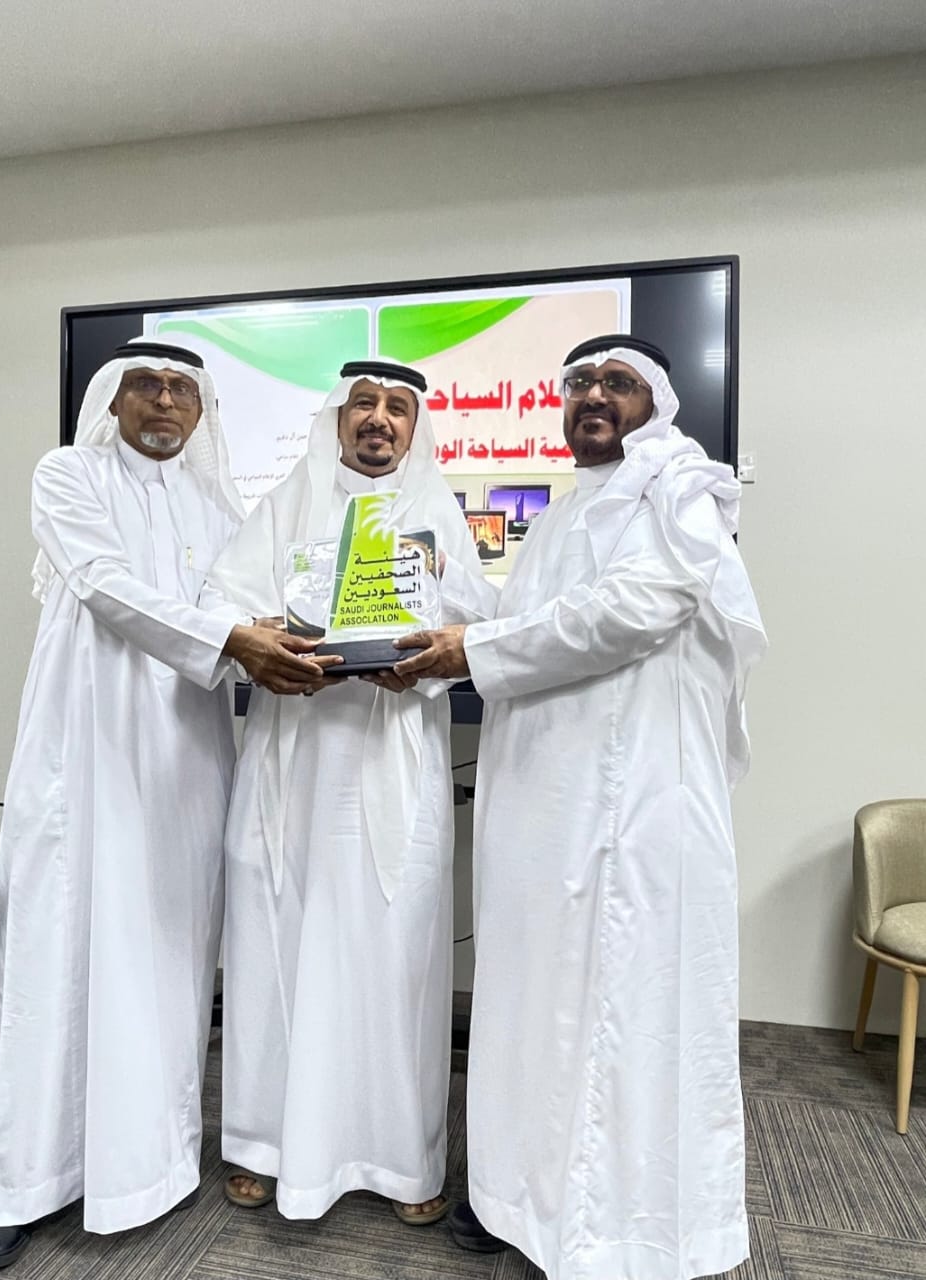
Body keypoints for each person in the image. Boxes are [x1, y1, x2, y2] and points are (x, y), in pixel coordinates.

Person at [393, 335, 767, 1280]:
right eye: (580, 384)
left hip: (631, 811)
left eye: (618, 383)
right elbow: (524, 622)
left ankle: (615, 1230)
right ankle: (517, 1199)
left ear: (658, 403)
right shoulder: (567, 507)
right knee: (534, 1002)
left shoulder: (677, 487)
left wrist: (473, 649)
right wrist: (434, 608)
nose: (593, 396)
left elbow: (638, 608)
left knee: (620, 1010)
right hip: (546, 813)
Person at [0, 340, 298, 1270]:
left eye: (182, 389)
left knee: (167, 961)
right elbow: (106, 584)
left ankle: (148, 1168)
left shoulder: (219, 506)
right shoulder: (68, 475)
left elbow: (255, 607)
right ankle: (21, 1185)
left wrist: (288, 633)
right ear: (112, 400)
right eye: (145, 385)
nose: (163, 401)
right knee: (55, 952)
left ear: (201, 411)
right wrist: (232, 636)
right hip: (86, 751)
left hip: (187, 763)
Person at [200, 359, 497, 1226]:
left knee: (394, 952)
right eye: (363, 404)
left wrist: (433, 648)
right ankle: (264, 1144)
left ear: (414, 428)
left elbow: (481, 623)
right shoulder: (283, 505)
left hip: (392, 759)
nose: (379, 420)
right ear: (337, 420)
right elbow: (221, 605)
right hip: (291, 760)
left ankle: (401, 1159)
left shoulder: (436, 513)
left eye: (397, 408)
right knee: (277, 942)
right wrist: (262, 643)